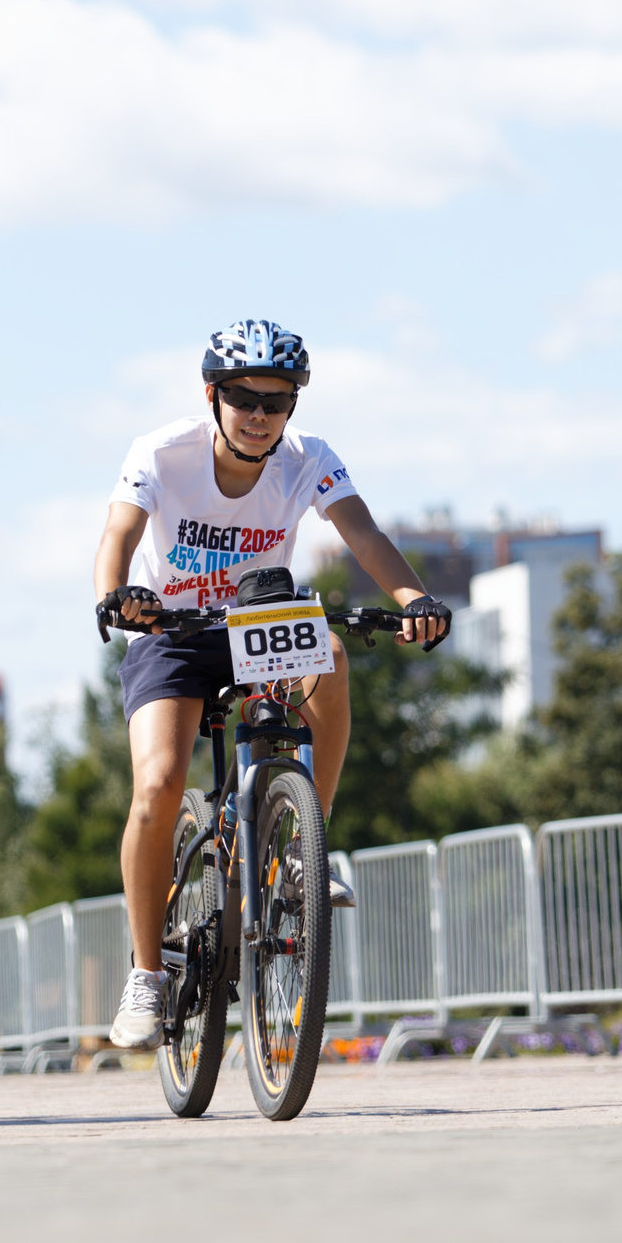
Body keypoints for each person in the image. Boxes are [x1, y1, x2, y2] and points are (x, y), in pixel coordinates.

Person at [91, 319, 450, 1049]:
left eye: (277, 401)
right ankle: (145, 974)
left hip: (259, 626)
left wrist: (413, 599)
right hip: (175, 632)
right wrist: (117, 592)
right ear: (213, 396)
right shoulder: (162, 452)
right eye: (244, 398)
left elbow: (365, 533)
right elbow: (118, 535)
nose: (259, 415)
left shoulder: (307, 459)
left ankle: (304, 855)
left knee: (332, 658)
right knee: (158, 783)